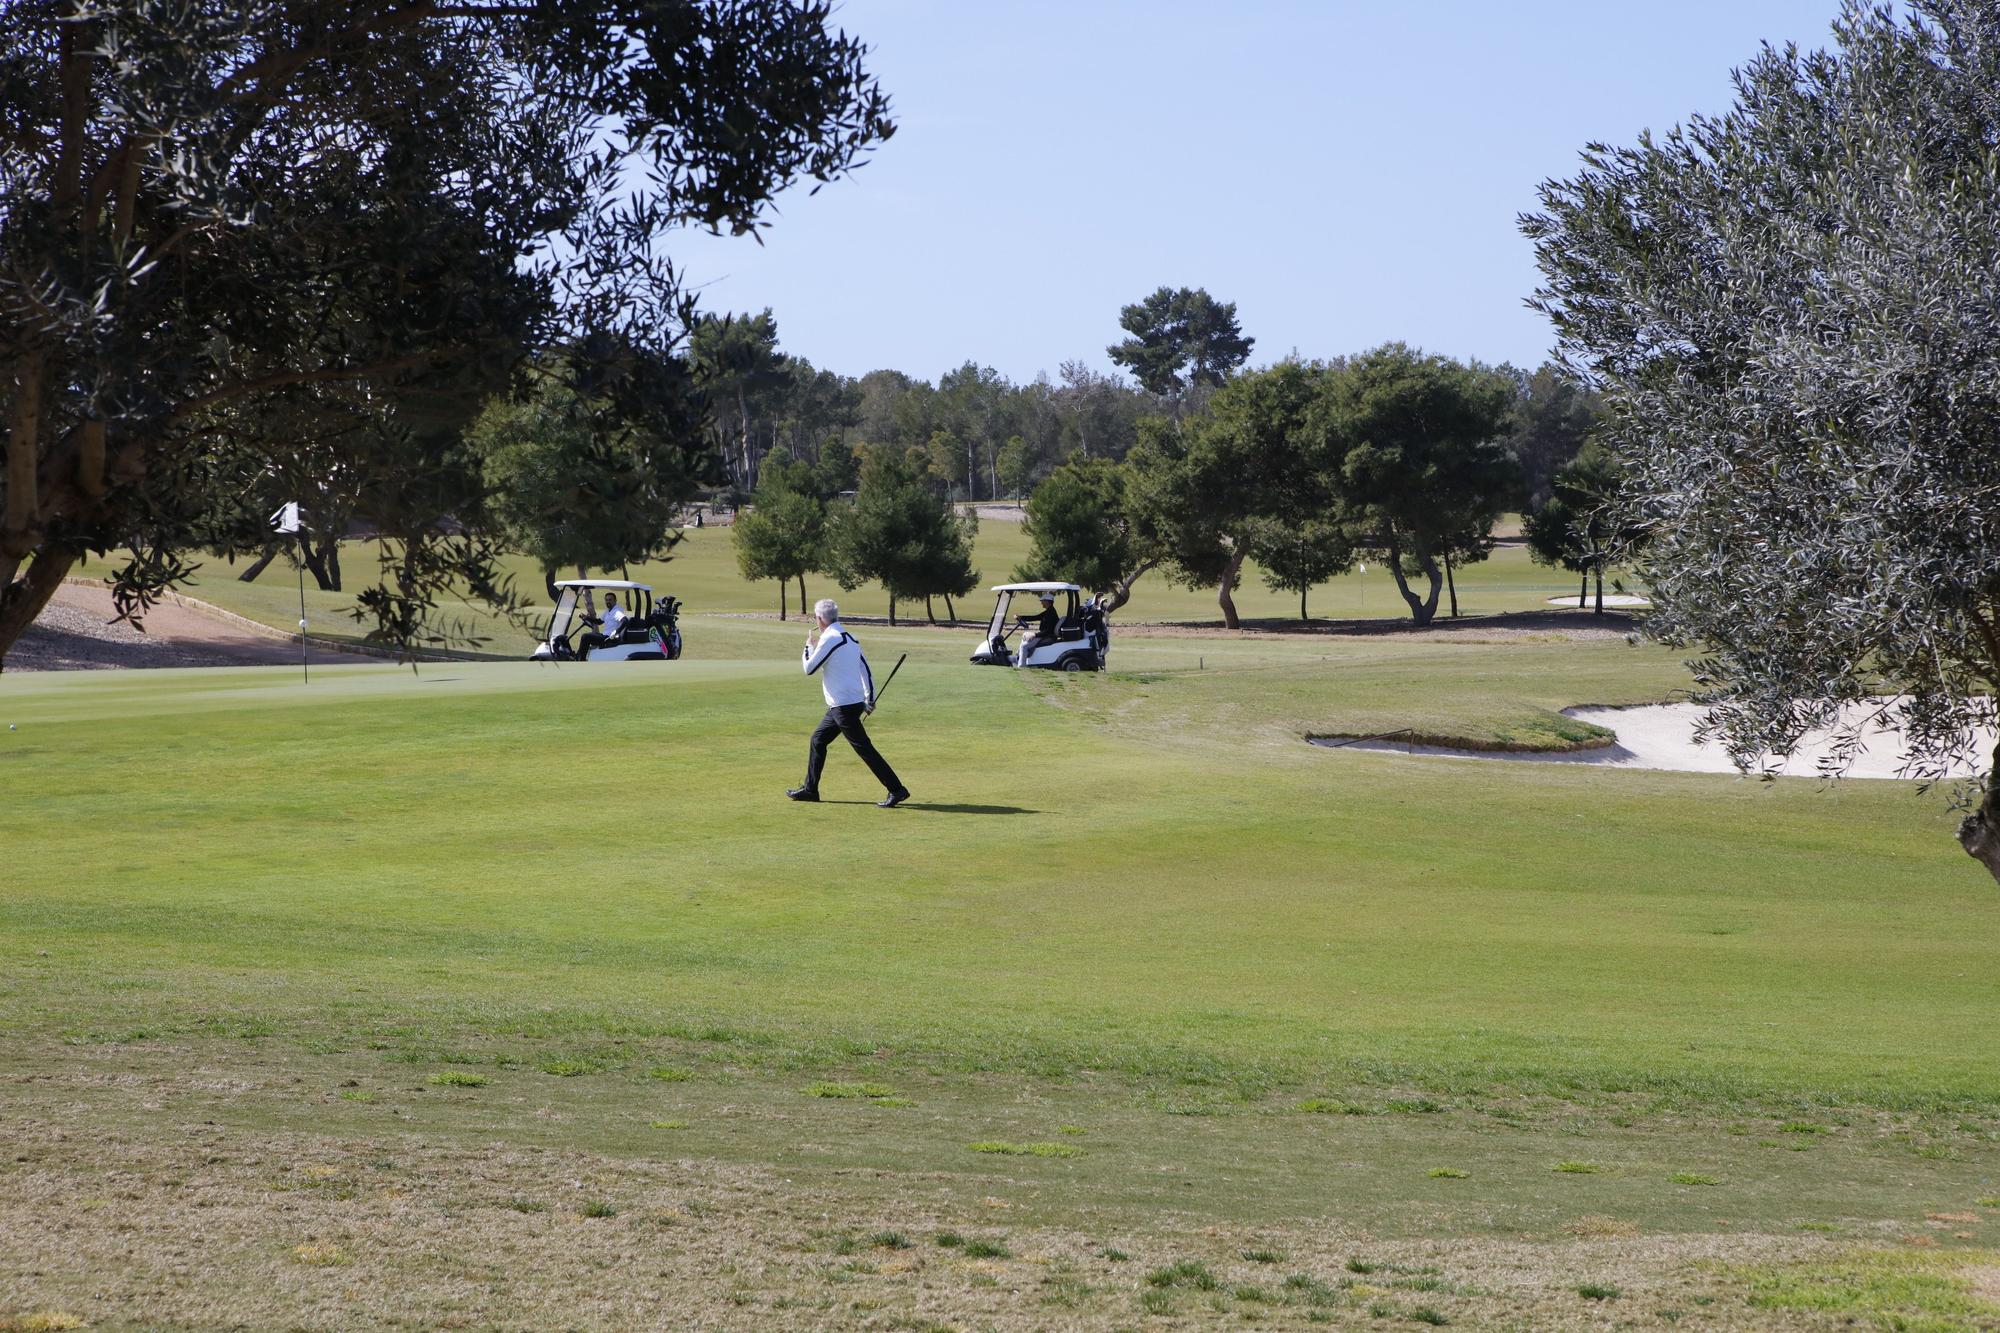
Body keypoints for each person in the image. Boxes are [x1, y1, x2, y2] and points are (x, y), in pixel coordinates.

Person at [789, 598, 909, 807]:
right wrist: (869, 698)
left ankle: (897, 789)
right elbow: (865, 669)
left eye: (816, 618)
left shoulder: (830, 639)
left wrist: (808, 647)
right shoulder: (850, 638)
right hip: (848, 704)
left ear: (820, 619)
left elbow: (809, 668)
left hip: (842, 707)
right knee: (818, 740)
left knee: (864, 748)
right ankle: (810, 789)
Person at [579, 591, 628, 658]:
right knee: (589, 635)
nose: (608, 602)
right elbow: (599, 622)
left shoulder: (617, 611)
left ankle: (581, 659)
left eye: (610, 600)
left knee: (585, 637)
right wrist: (587, 618)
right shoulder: (608, 611)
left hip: (610, 638)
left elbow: (625, 621)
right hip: (605, 636)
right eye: (606, 600)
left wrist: (616, 632)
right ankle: (579, 656)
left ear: (615, 601)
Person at [1015, 591, 1058, 664]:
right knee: (1025, 635)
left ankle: (1021, 666)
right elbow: (1036, 617)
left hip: (1047, 636)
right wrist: (1021, 617)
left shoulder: (1051, 613)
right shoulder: (1049, 611)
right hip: (1043, 635)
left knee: (1024, 646)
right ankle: (1018, 657)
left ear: (1047, 601)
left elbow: (1048, 630)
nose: (1041, 602)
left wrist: (1035, 635)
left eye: (1042, 601)